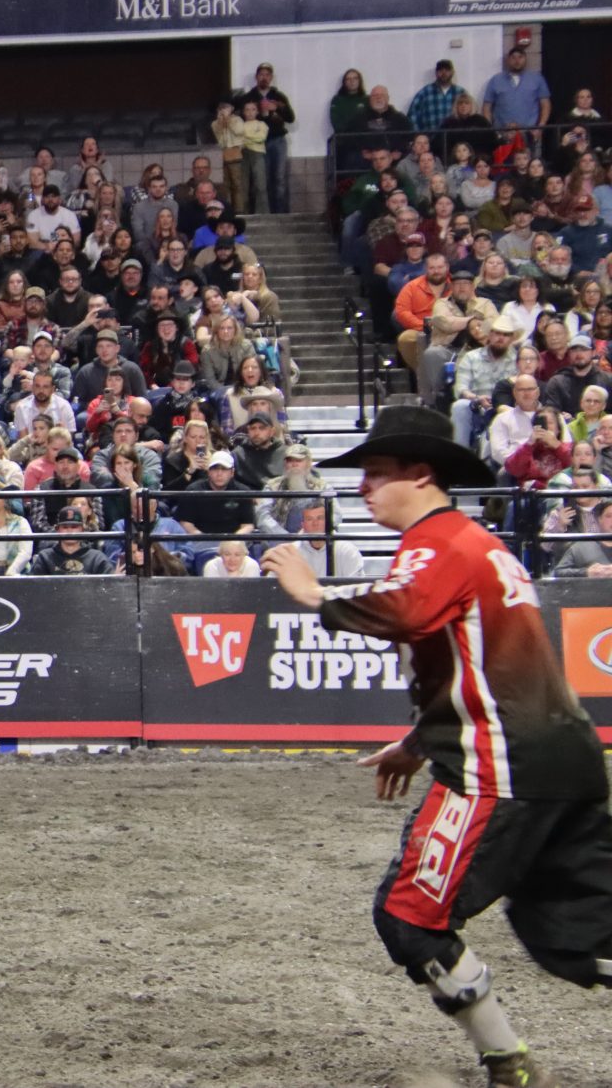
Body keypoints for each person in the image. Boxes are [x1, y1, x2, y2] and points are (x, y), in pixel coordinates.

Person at [262, 406, 612, 1088]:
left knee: (409, 915)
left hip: (500, 766)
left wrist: (313, 592)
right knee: (578, 932)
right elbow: (490, 662)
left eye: (377, 474)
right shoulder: (480, 545)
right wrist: (421, 740)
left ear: (420, 474)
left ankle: (507, 1062)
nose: (363, 488)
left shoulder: (437, 544)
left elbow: (409, 608)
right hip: (563, 758)